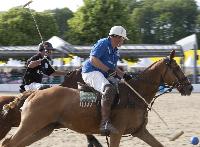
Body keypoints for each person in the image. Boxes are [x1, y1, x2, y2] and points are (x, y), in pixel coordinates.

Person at [81, 26, 132, 135]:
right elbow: (93, 59)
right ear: (116, 37)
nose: (123, 41)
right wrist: (107, 70)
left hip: (103, 74)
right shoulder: (103, 43)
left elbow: (113, 67)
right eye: (122, 38)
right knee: (109, 89)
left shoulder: (115, 50)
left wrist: (124, 75)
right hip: (91, 72)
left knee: (122, 88)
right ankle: (104, 123)